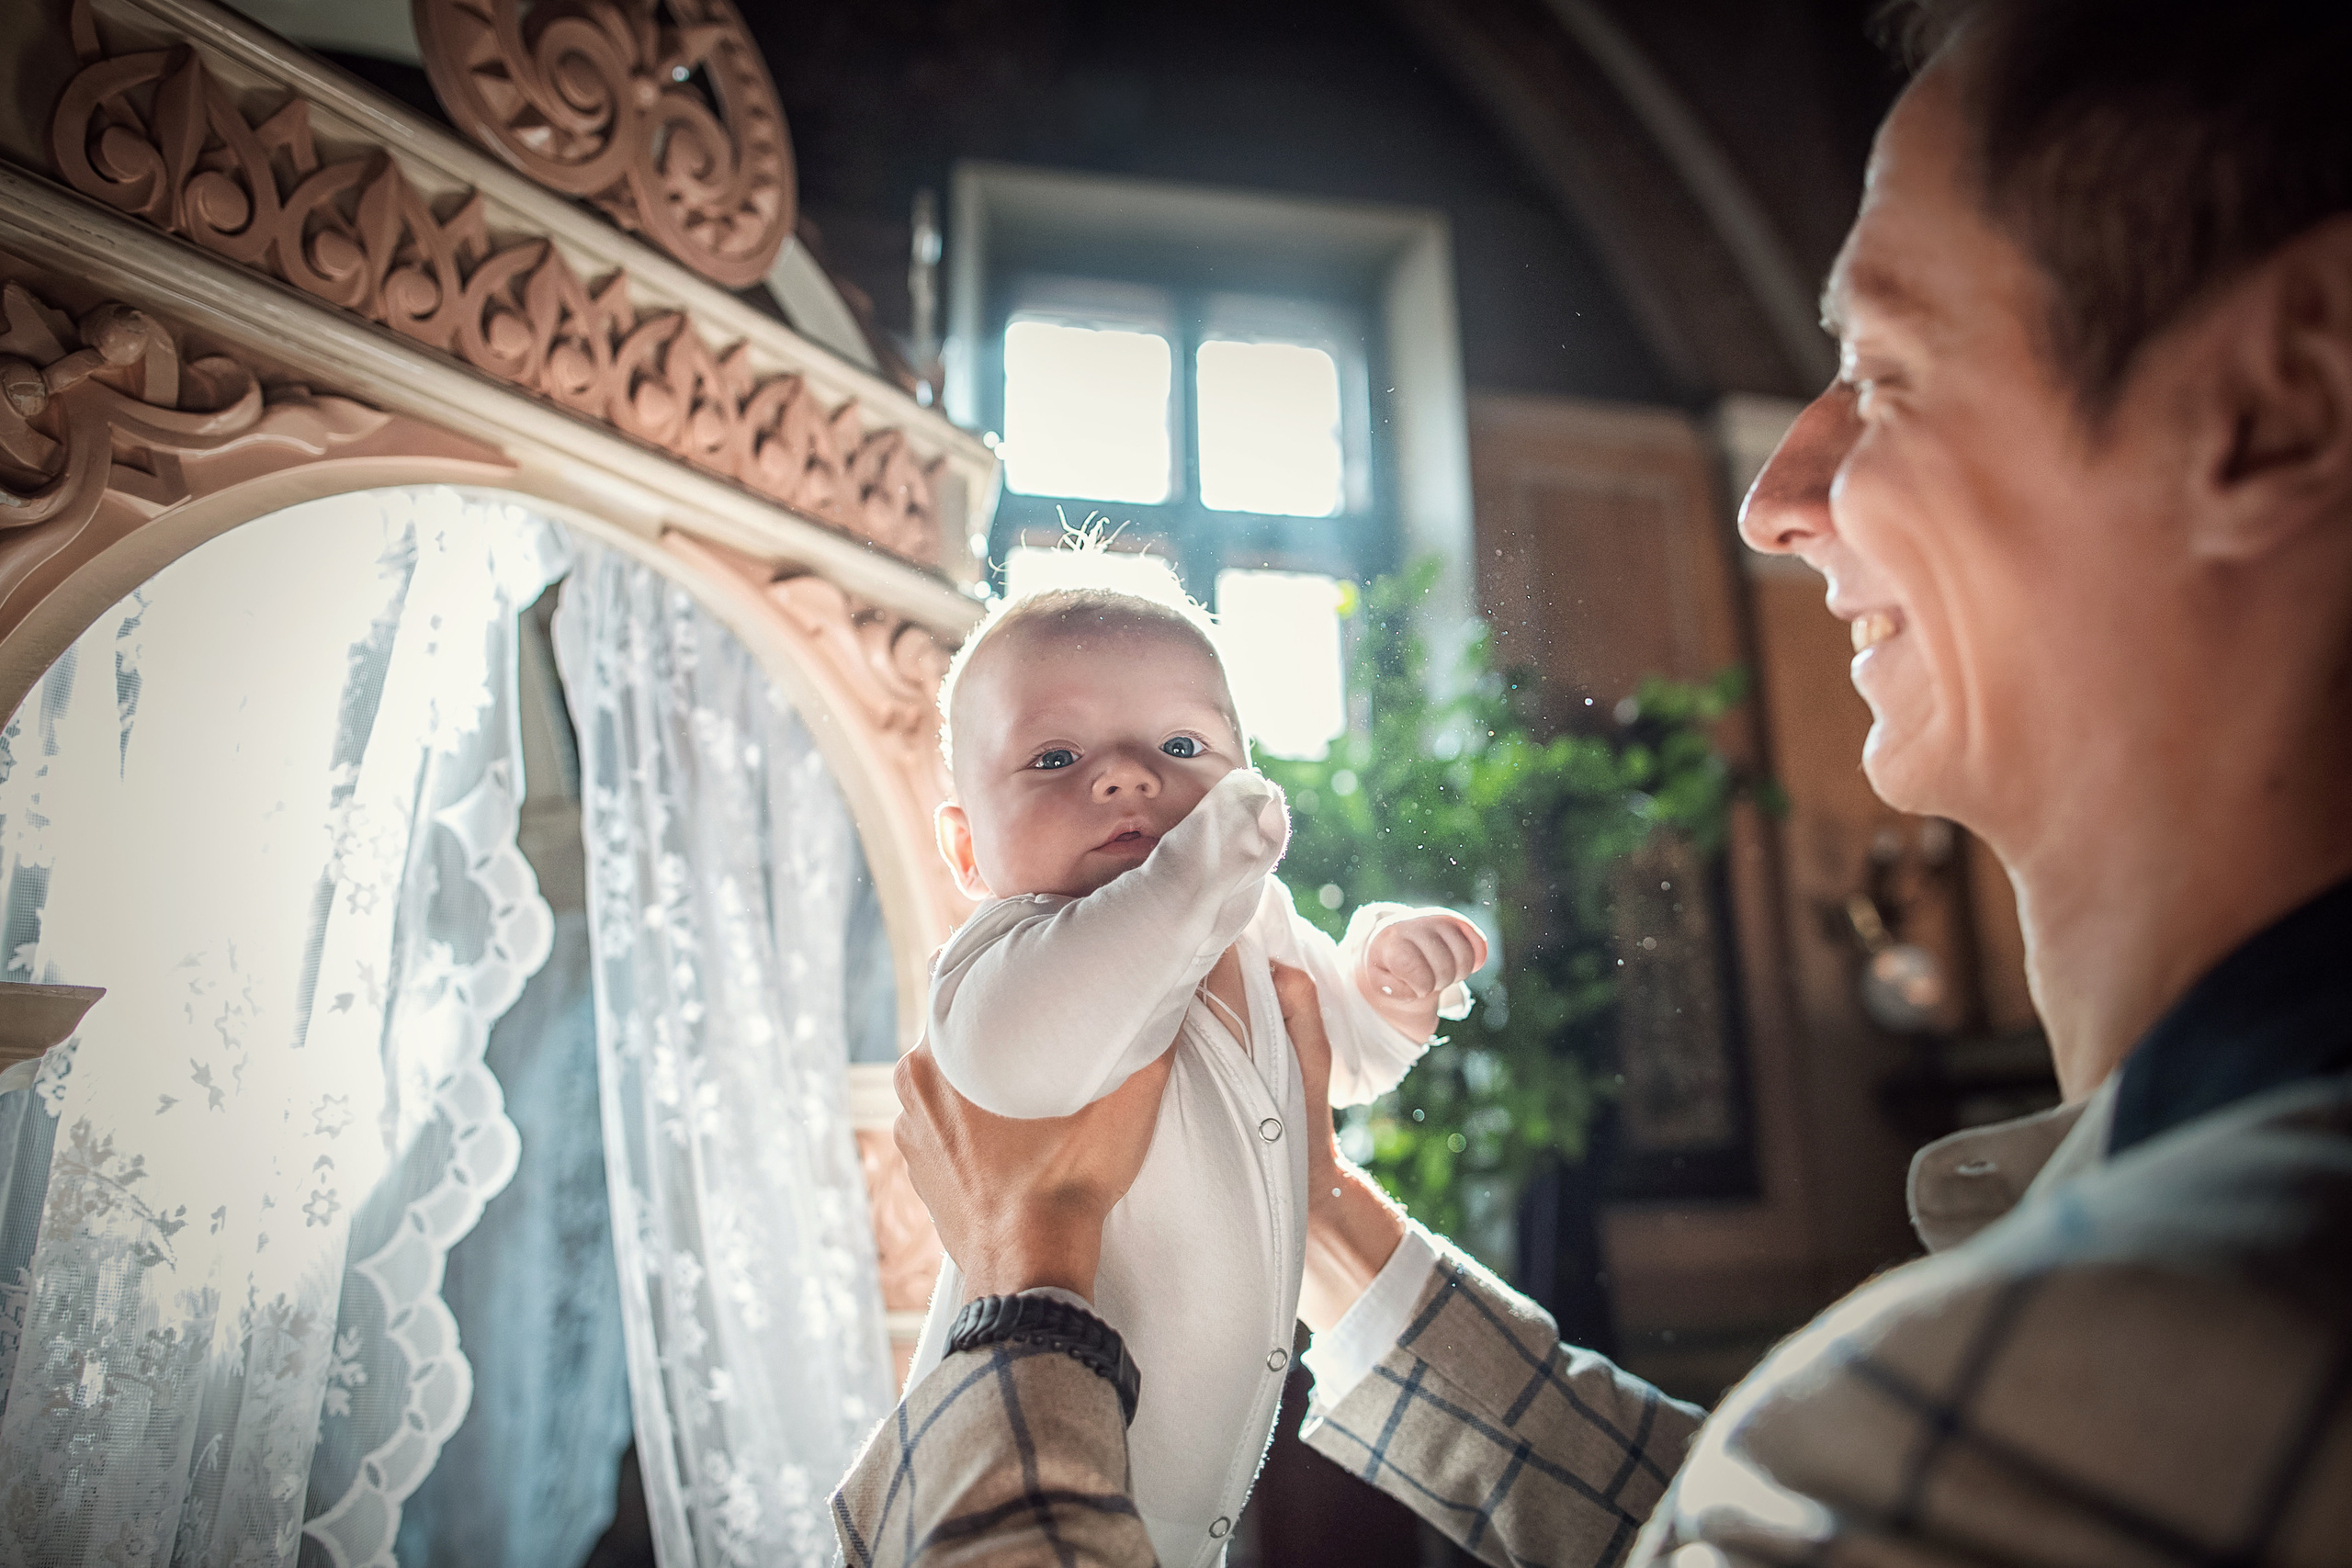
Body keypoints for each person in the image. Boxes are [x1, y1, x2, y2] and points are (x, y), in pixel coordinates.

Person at [831, 0, 2352, 1561]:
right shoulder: (2108, 1344)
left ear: (2274, 402)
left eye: (1885, 369)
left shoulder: (2128, 1372)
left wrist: (1028, 1274)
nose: (1773, 500)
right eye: (1062, 752)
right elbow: (1708, 1524)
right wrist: (1315, 1217)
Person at [904, 582, 1487, 1568]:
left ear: (1247, 778)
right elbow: (1018, 1063)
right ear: (966, 848)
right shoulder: (1001, 957)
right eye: (1056, 757)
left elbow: (1335, 1057)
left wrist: (1385, 988)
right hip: (1006, 1456)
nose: (1130, 778)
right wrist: (1186, 881)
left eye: (1181, 750)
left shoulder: (1252, 922)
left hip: (1185, 1495)